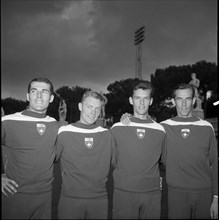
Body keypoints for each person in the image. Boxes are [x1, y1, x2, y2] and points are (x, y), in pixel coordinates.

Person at [1, 77, 67, 219]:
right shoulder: (7, 121)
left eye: (44, 92)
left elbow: (54, 157)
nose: (38, 95)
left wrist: (62, 121)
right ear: (27, 96)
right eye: (34, 91)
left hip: (45, 197)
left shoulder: (54, 124)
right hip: (15, 196)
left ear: (51, 98)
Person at [160, 83, 218, 219]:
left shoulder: (206, 127)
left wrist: (216, 197)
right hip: (176, 194)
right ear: (174, 101)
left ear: (193, 101)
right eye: (179, 99)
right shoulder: (163, 127)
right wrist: (127, 119)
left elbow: (215, 164)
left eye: (188, 99)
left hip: (204, 193)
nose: (184, 104)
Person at [111, 80, 166, 219]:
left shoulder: (160, 130)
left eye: (145, 98)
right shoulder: (117, 128)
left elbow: (165, 160)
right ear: (131, 100)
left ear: (151, 101)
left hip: (152, 193)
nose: (141, 103)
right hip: (124, 192)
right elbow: (112, 160)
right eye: (137, 98)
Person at [55, 91, 115, 219]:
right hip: (70, 200)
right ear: (80, 106)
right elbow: (45, 160)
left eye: (97, 108)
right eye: (89, 107)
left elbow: (122, 162)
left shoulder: (107, 135)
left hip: (99, 200)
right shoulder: (64, 132)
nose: (93, 112)